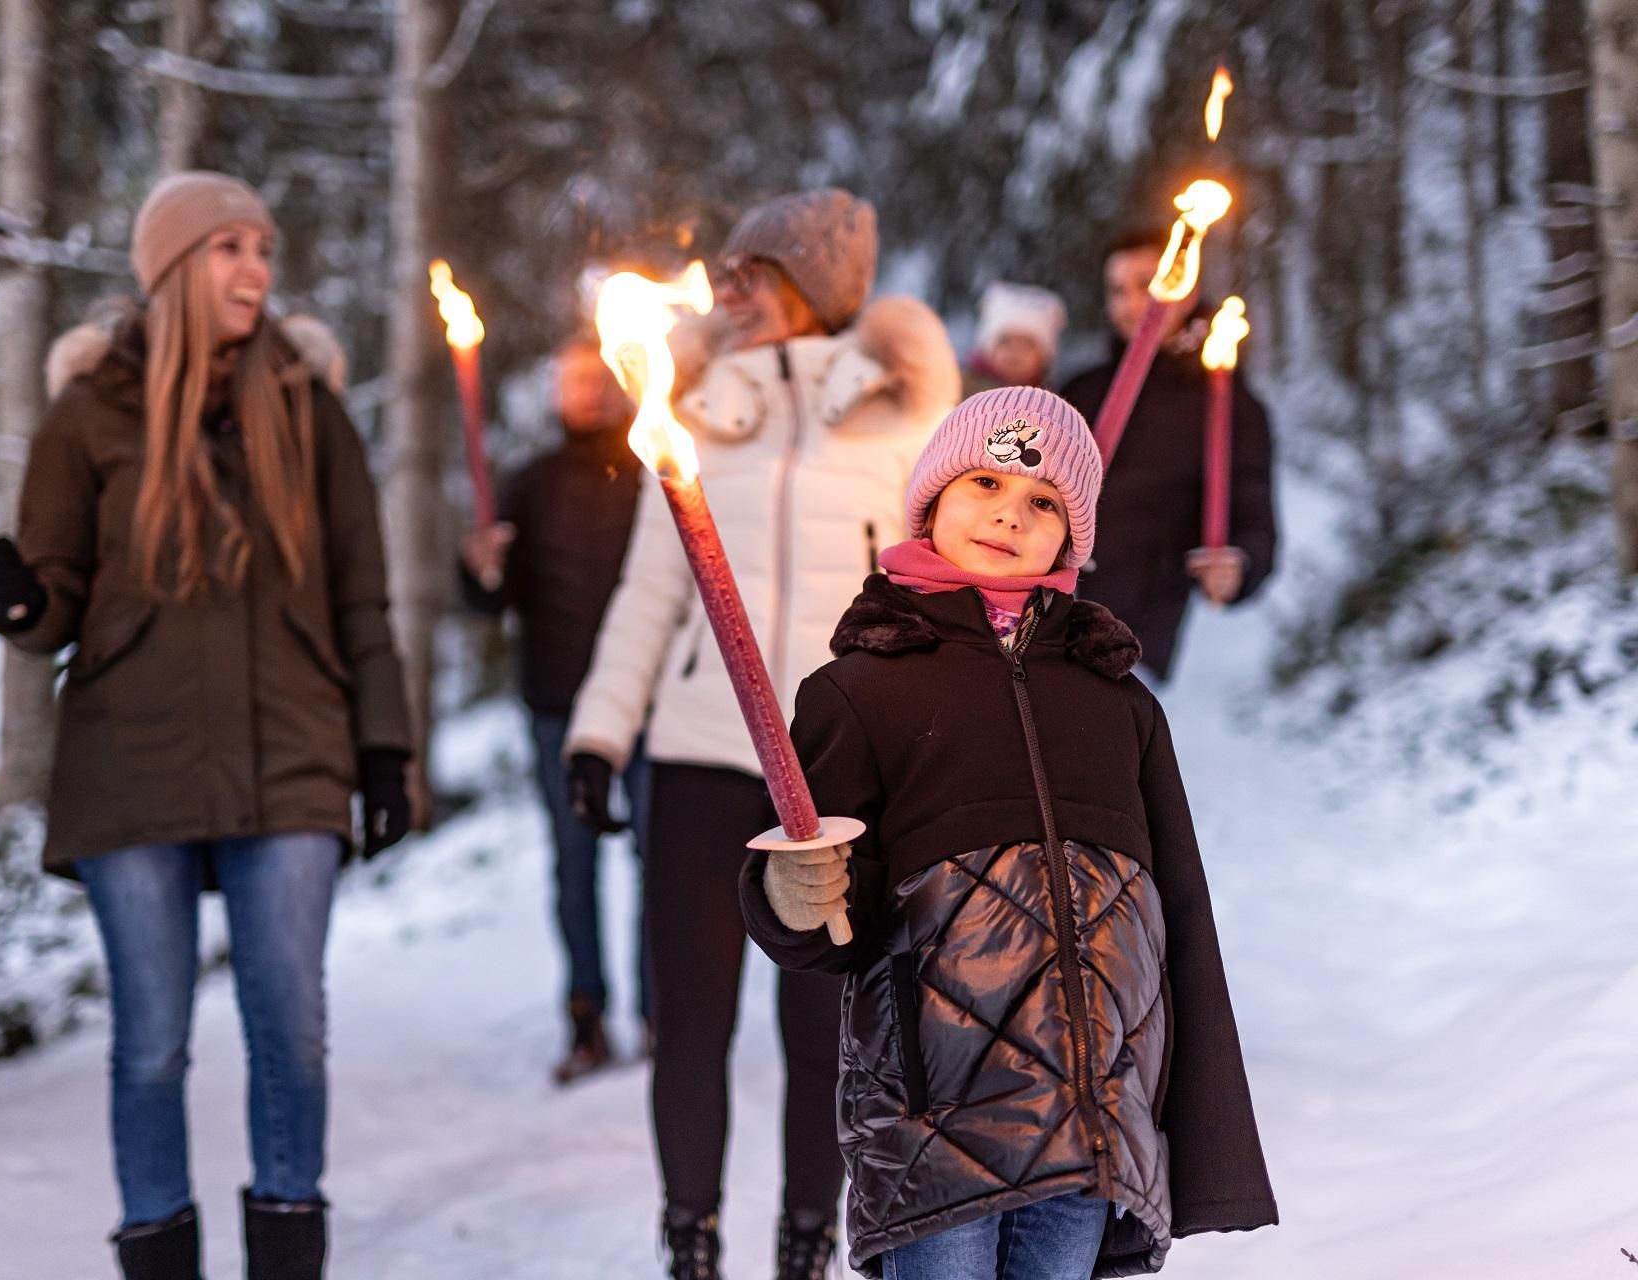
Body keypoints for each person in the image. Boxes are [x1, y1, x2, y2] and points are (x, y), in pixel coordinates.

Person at [0, 172, 412, 1280]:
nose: (256, 269)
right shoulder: (87, 416)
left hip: (293, 752)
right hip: (133, 761)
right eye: (227, 248)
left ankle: (286, 1252)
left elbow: (362, 594)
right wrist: (16, 598)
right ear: (170, 267)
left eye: (263, 247)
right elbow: (55, 602)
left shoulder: (309, 409)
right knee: (153, 1043)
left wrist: (387, 747)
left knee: (291, 1029)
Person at [739, 386, 1277, 1279]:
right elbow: (829, 916)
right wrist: (790, 895)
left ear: (1072, 537)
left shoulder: (1118, 707)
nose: (1007, 513)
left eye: (1042, 502)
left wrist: (1172, 1110)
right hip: (934, 1116)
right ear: (932, 498)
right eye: (983, 481)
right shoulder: (861, 692)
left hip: (1091, 1120)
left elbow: (1178, 914)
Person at [564, 188, 961, 1280]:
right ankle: (688, 1237)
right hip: (697, 757)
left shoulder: (898, 418)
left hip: (836, 768)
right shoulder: (688, 412)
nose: (730, 294)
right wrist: (600, 735)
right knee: (689, 1019)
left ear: (814, 289)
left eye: (755, 275)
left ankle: (804, 1243)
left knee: (819, 1031)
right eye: (727, 275)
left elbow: (936, 592)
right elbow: (651, 589)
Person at [458, 336, 653, 1084]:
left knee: (652, 861)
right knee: (574, 866)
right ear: (554, 394)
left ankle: (657, 1012)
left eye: (600, 379)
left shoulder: (649, 475)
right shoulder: (529, 483)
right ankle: (586, 1017)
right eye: (574, 380)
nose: (589, 392)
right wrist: (480, 570)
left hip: (644, 703)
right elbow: (490, 597)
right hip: (558, 705)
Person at [1058, 227, 1277, 681]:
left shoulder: (1230, 406)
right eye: (1117, 290)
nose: (1131, 303)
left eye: (1147, 284)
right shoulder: (1081, 391)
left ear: (1186, 285)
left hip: (1140, 636)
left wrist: (1241, 566)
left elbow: (1253, 514)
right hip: (1050, 617)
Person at [962, 281, 1065, 395]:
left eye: (1027, 344)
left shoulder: (1047, 402)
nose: (1015, 350)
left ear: (1043, 357)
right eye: (1006, 341)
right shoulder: (964, 389)